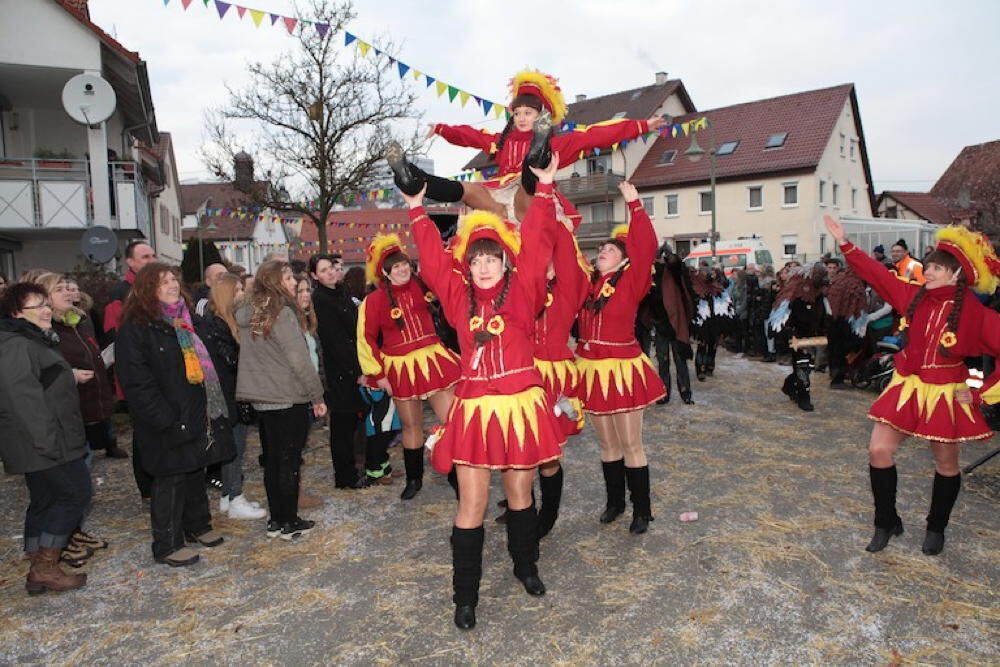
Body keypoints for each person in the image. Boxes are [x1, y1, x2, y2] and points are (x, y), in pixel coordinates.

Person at [403, 156, 564, 631]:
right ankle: (465, 596)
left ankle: (526, 567)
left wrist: (545, 188)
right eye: (476, 260)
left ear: (505, 261)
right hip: (473, 408)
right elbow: (433, 262)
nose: (484, 266)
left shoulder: (524, 290)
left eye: (492, 258)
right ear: (468, 265)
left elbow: (538, 240)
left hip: (519, 404)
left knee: (519, 494)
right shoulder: (458, 297)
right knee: (470, 504)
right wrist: (416, 208)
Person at [825, 216, 1000, 556]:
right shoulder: (914, 297)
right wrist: (845, 244)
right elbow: (877, 275)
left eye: (935, 268)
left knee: (946, 465)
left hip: (946, 391)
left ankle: (936, 528)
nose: (927, 272)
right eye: (928, 266)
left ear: (955, 274)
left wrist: (981, 393)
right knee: (878, 451)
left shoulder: (976, 314)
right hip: (907, 385)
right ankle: (886, 521)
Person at [389, 68, 666, 225]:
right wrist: (441, 129)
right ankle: (415, 178)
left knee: (526, 183)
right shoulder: (500, 142)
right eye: (518, 113)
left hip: (532, 199)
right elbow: (470, 136)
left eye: (528, 113)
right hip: (499, 199)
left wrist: (642, 125)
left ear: (541, 117)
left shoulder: (560, 143)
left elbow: (597, 135)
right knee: (469, 190)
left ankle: (537, 158)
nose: (521, 118)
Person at [116, 264, 235, 566]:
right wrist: (164, 418)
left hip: (194, 410)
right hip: (164, 417)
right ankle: (167, 544)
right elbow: (137, 382)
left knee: (195, 469)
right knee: (170, 478)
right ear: (146, 290)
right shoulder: (136, 328)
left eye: (173, 280)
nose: (172, 285)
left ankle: (197, 525)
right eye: (162, 282)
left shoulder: (185, 320)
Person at [576, 182, 667, 535]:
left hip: (623, 369)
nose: (602, 252)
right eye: (601, 249)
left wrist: (635, 206)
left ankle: (642, 509)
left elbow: (646, 247)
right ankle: (615, 502)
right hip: (591, 369)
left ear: (625, 259)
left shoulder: (632, 280)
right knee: (607, 443)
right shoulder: (587, 286)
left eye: (610, 249)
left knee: (631, 444)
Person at [0, 283, 93, 594]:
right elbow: (22, 400)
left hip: (46, 438)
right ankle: (45, 567)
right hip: (45, 441)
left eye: (45, 304)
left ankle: (36, 565)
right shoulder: (16, 344)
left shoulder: (32, 339)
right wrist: (46, 442)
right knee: (75, 495)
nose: (46, 310)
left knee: (44, 499)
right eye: (37, 306)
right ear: (16, 313)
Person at [357, 234, 461, 499]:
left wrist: (454, 246)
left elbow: (445, 271)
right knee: (411, 426)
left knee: (452, 420)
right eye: (396, 266)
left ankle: (457, 475)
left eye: (404, 264)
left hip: (433, 360)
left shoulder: (423, 284)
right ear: (385, 272)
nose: (402, 269)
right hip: (401, 368)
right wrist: (377, 374)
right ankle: (414, 479)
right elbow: (365, 339)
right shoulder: (374, 301)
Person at [236, 261, 326, 540]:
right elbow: (299, 359)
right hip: (287, 396)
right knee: (289, 461)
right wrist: (316, 395)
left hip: (263, 397)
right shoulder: (282, 313)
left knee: (273, 460)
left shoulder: (252, 313)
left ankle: (276, 519)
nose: (293, 281)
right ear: (274, 281)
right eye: (287, 277)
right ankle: (289, 521)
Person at [195, 272, 267, 520]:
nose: (242, 294)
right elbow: (231, 362)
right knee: (234, 448)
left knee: (235, 447)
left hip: (234, 394)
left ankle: (228, 495)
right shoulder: (216, 325)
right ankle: (235, 496)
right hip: (228, 397)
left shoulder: (227, 322)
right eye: (237, 290)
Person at [38, 273, 126, 459]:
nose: (68, 293)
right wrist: (72, 375)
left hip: (90, 407)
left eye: (67, 288)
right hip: (67, 415)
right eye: (59, 290)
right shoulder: (45, 330)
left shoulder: (78, 322)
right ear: (44, 297)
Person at [103, 239, 157, 500]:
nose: (152, 260)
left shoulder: (156, 289)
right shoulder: (121, 293)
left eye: (153, 255)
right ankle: (147, 488)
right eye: (145, 257)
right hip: (136, 377)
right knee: (144, 434)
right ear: (130, 262)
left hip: (158, 374)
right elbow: (114, 341)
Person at [309, 254, 366, 489]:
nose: (330, 272)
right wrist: (357, 371)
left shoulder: (341, 292)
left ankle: (353, 468)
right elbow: (336, 341)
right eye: (323, 270)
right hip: (339, 371)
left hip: (352, 364)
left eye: (331, 267)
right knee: (342, 425)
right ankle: (344, 475)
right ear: (315, 276)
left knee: (352, 422)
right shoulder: (321, 300)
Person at [768, 263, 828, 411]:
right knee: (803, 365)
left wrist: (823, 330)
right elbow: (785, 312)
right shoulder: (797, 291)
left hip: (811, 335)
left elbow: (821, 313)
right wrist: (789, 332)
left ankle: (789, 386)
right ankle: (804, 397)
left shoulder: (819, 293)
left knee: (808, 365)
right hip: (796, 335)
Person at [292, 272, 324, 510]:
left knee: (301, 443)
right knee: (294, 446)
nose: (305, 295)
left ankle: (297, 489)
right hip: (297, 393)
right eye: (299, 291)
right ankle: (295, 493)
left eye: (306, 291)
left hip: (310, 391)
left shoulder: (307, 322)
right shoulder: (290, 323)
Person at [650, 246, 695, 404]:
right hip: (660, 323)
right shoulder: (651, 274)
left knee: (680, 359)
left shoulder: (673, 272)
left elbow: (676, 263)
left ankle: (685, 392)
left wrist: (668, 253)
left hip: (675, 323)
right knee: (663, 361)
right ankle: (664, 393)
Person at [825, 261, 868, 388]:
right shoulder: (855, 283)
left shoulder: (838, 279)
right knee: (843, 349)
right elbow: (858, 305)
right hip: (846, 320)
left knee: (834, 349)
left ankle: (834, 374)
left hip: (833, 319)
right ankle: (838, 379)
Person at [690, 266, 733, 381]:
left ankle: (710, 366)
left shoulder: (716, 287)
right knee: (702, 345)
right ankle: (700, 369)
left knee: (713, 345)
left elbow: (725, 292)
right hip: (703, 321)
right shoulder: (697, 288)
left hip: (715, 320)